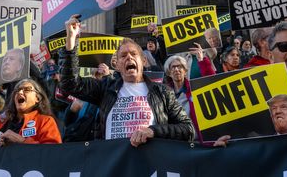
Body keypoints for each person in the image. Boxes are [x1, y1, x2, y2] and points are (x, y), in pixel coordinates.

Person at [59, 15, 195, 147]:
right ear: (117, 65)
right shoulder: (105, 89)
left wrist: (153, 131)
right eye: (123, 56)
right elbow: (69, 83)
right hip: (114, 165)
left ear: (143, 61)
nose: (129, 58)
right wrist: (71, 41)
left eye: (134, 54)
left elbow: (187, 129)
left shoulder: (162, 92)